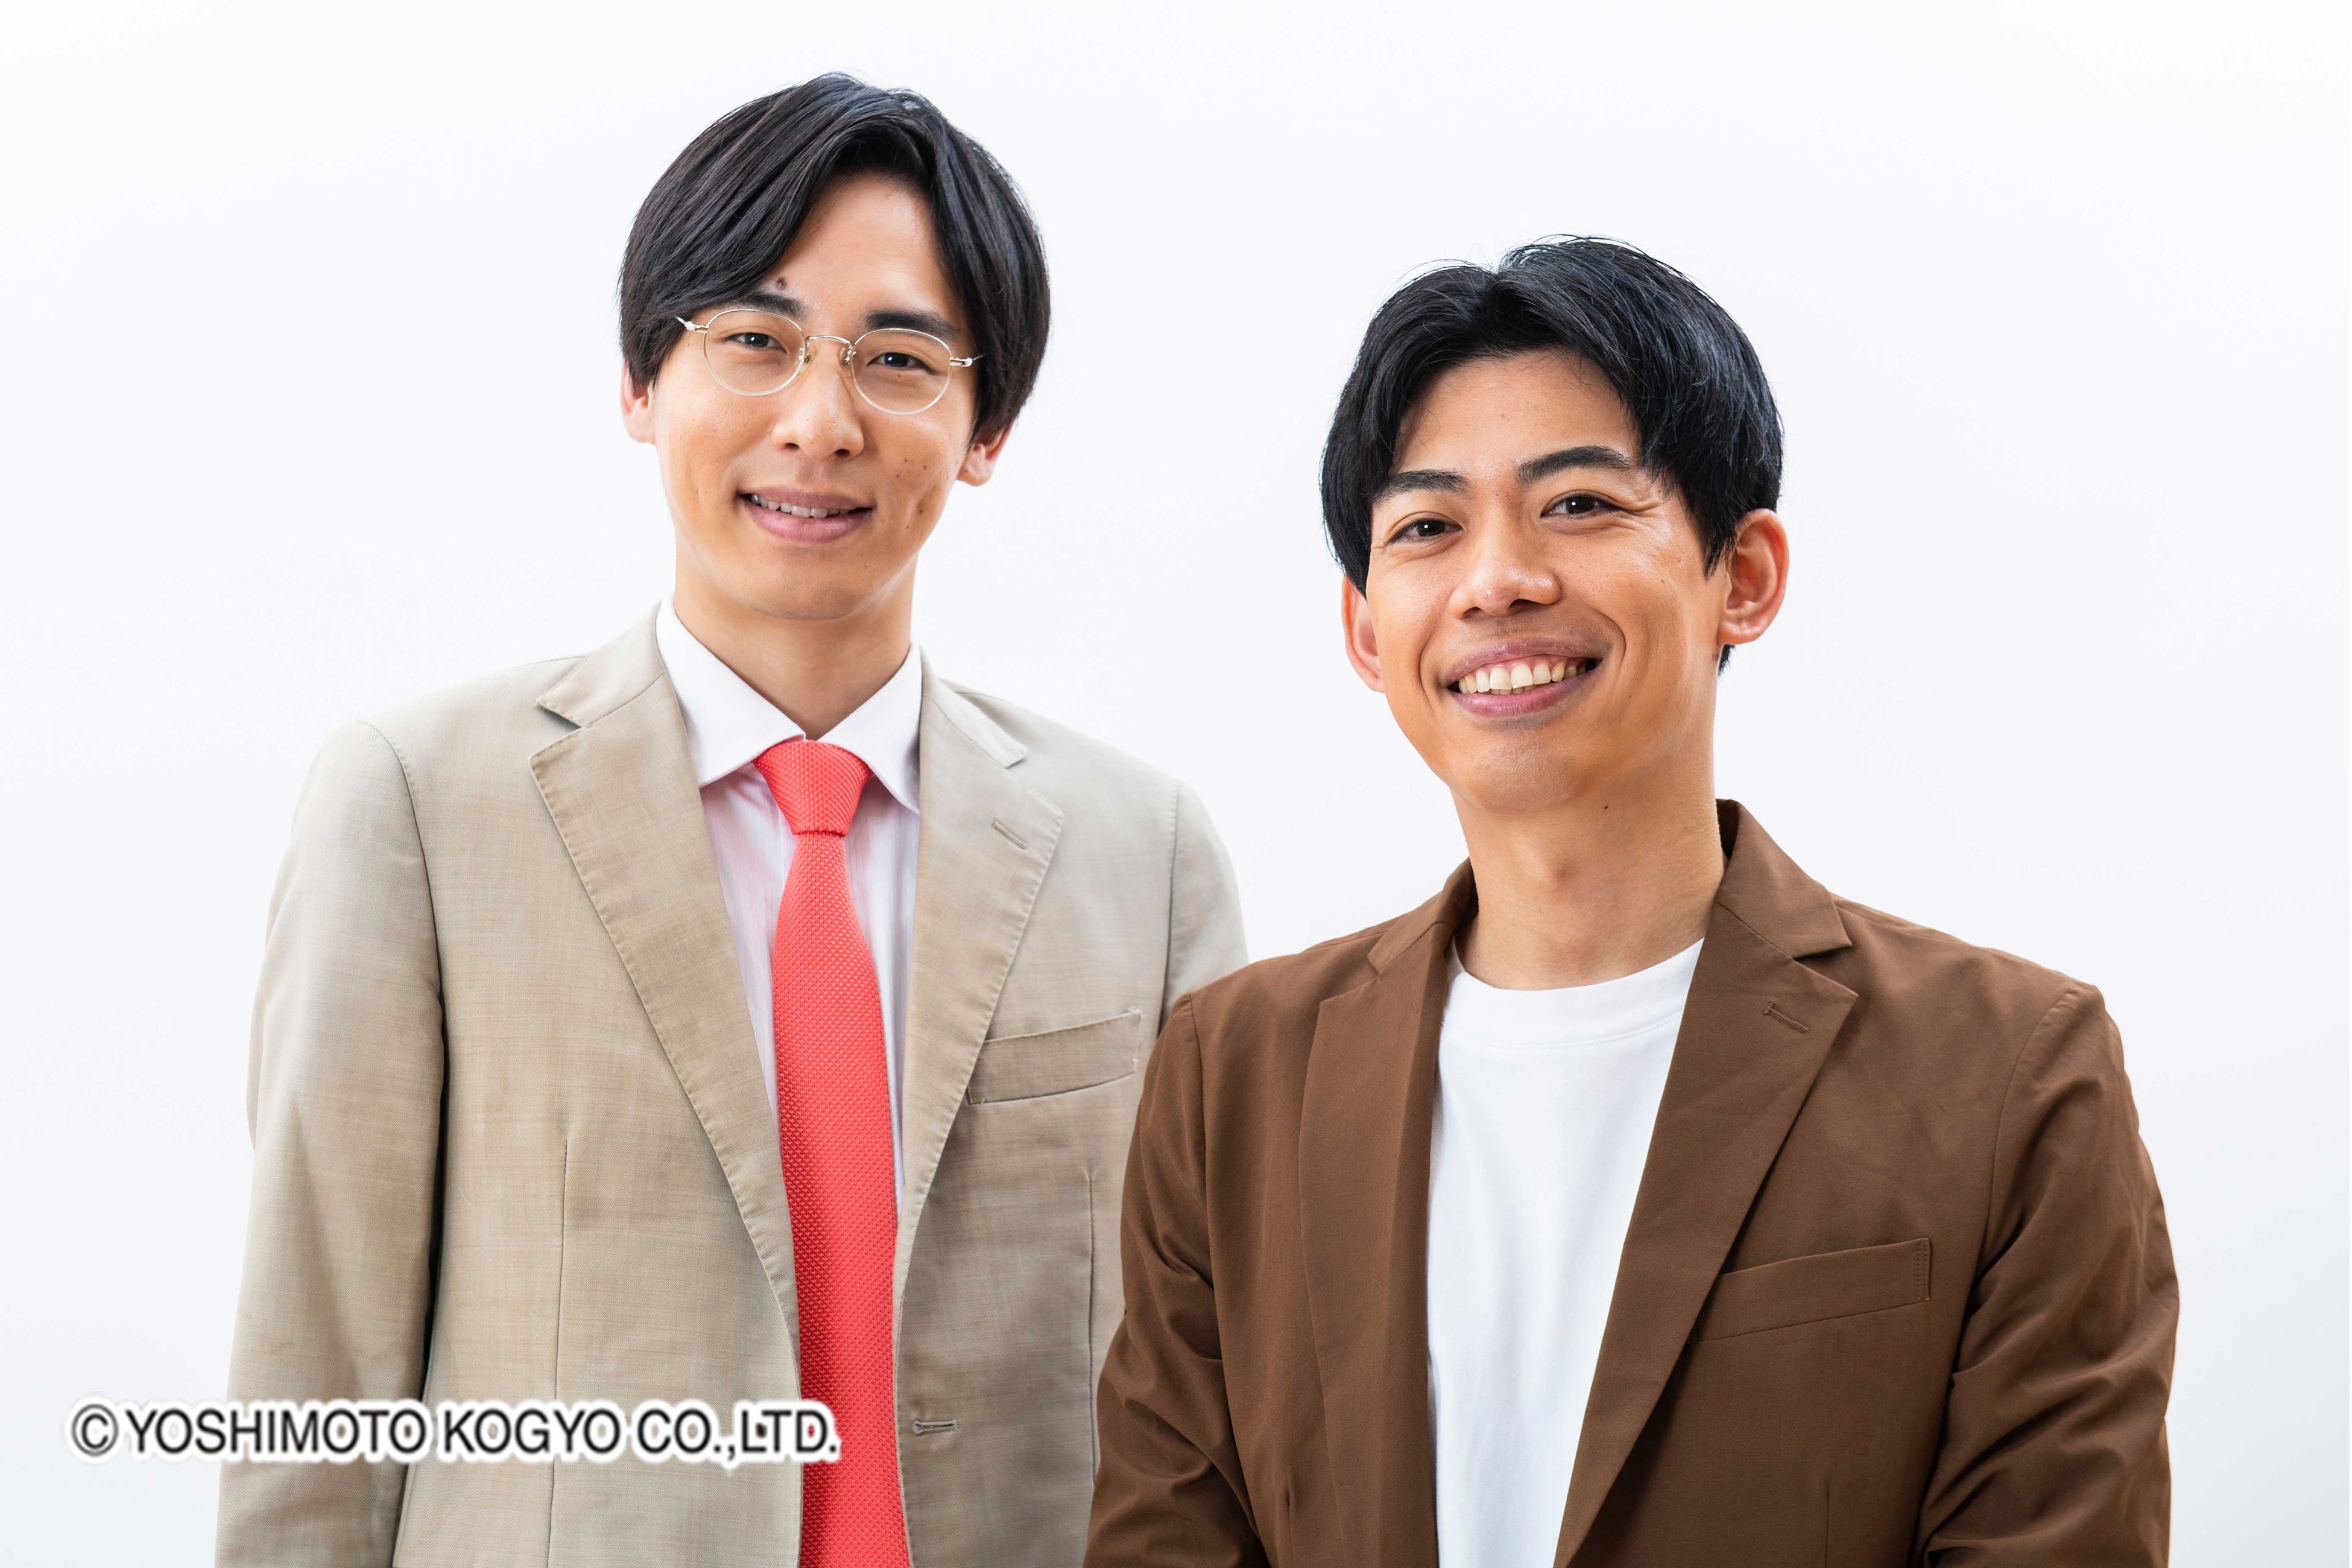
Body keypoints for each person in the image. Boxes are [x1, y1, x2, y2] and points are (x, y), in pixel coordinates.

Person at [219, 75, 1245, 1568]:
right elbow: (316, 1383)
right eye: (755, 342)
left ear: (987, 427)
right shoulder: (417, 810)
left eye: (899, 359)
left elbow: (1211, 1396)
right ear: (642, 385)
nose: (820, 422)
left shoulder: (1141, 856)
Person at [1086, 239, 2175, 1566]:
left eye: (1581, 503)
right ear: (1368, 630)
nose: (1498, 579)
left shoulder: (2011, 1072)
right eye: (1428, 528)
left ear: (1745, 577)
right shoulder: (1232, 1075)